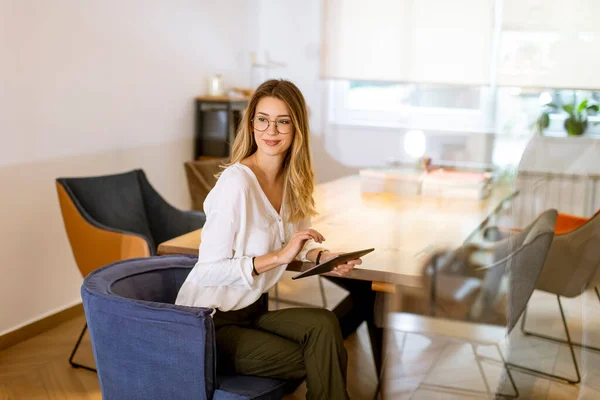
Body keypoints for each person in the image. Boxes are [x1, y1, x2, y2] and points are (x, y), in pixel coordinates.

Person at [175, 79, 363, 399]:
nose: (270, 131)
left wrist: (323, 256)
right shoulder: (236, 184)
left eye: (283, 121)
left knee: (324, 324)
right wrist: (278, 257)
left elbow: (299, 240)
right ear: (251, 125)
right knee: (319, 356)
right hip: (209, 324)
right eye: (262, 119)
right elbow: (208, 269)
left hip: (253, 311)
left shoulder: (294, 180)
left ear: (297, 128)